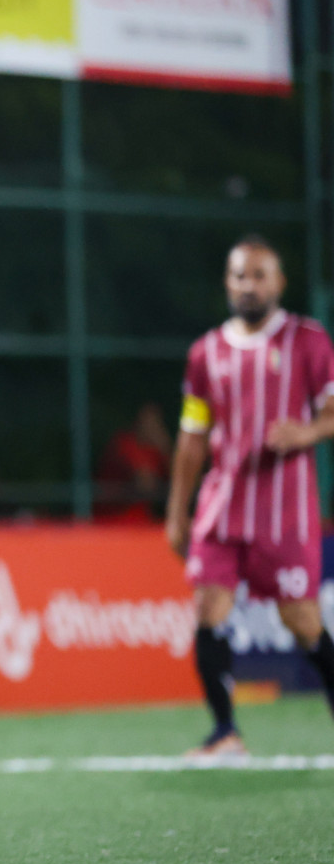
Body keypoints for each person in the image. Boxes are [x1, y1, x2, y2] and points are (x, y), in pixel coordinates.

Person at [165, 234, 334, 756]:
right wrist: (176, 513)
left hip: (285, 512)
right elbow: (192, 440)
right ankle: (225, 732)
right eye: (241, 275)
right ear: (227, 282)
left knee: (301, 620)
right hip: (222, 507)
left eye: (260, 275)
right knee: (208, 610)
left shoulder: (309, 341)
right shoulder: (205, 354)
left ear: (279, 282)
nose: (249, 285)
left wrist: (306, 432)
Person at [95, 402, 171, 522]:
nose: (153, 426)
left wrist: (165, 447)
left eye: (156, 422)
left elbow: (186, 481)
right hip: (113, 521)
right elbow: (147, 484)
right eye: (148, 421)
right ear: (138, 421)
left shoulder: (155, 450)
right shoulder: (124, 443)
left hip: (141, 521)